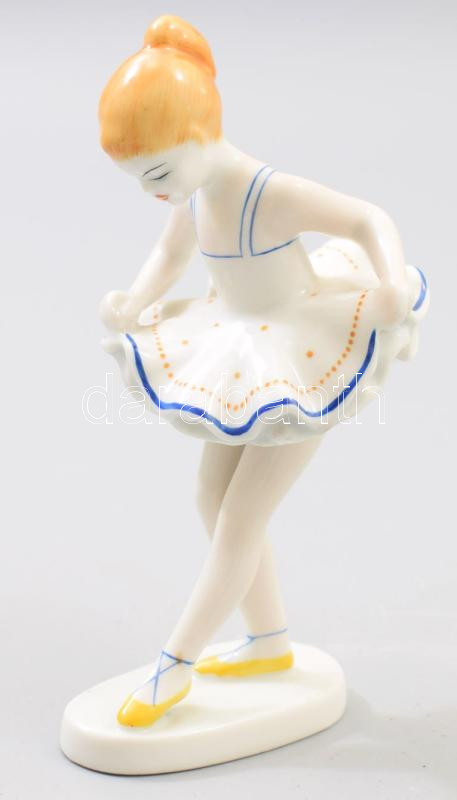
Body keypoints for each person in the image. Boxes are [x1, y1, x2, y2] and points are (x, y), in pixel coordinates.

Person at [98, 15, 428, 727]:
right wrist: (135, 298)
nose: (153, 192)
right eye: (140, 180)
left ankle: (174, 665)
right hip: (236, 346)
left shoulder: (265, 191)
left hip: (300, 357)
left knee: (240, 517)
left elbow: (367, 218)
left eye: (157, 173)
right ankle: (269, 640)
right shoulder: (192, 192)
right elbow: (171, 254)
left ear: (199, 135)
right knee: (209, 498)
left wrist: (390, 282)